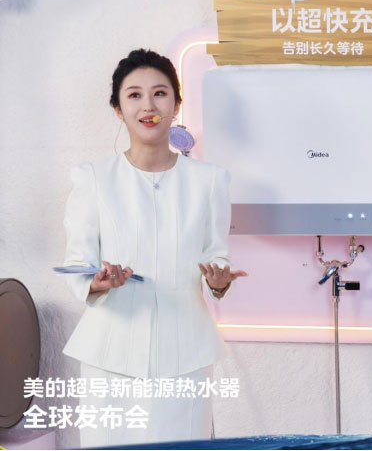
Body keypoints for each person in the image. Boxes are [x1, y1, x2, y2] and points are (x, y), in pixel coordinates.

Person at [61, 49, 248, 447]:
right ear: (118, 109)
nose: (148, 105)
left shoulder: (210, 181)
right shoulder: (93, 178)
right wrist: (97, 281)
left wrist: (218, 281)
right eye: (134, 95)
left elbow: (216, 255)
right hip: (110, 351)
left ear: (176, 104)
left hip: (186, 351)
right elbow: (77, 262)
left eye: (160, 93)